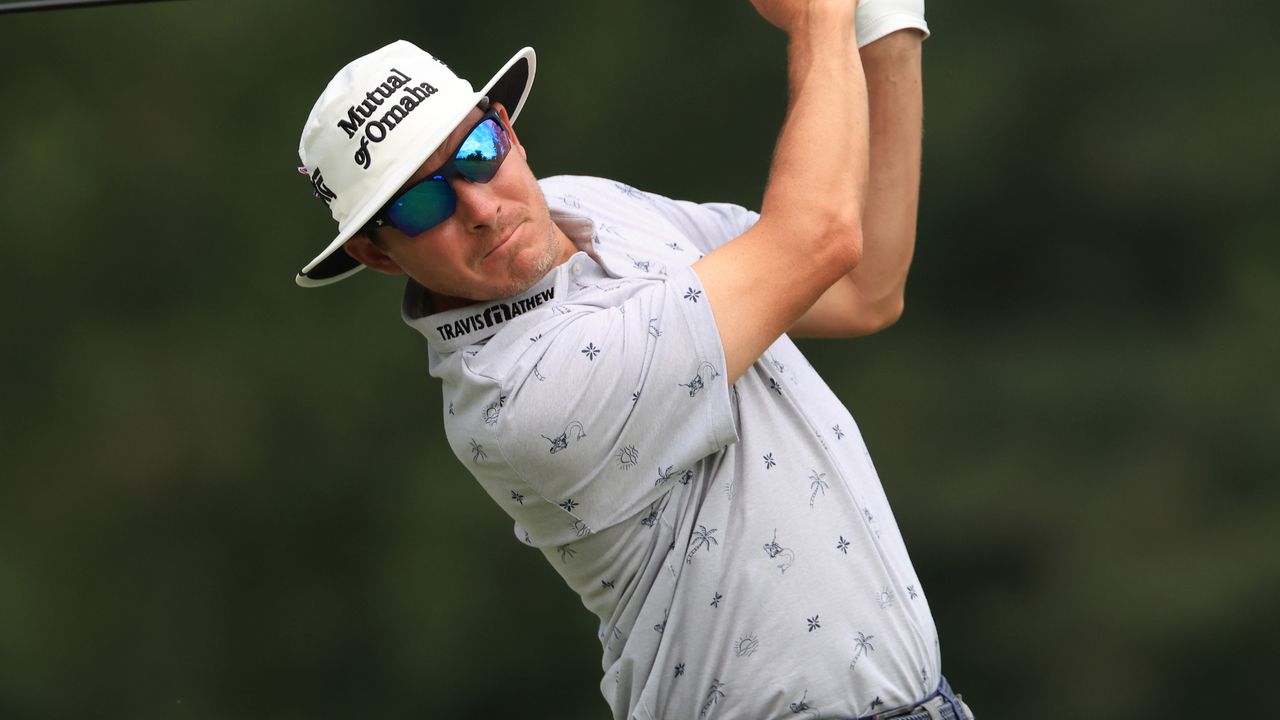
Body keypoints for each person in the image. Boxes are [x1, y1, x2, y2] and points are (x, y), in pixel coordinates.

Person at [293, 1, 972, 718]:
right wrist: (820, 19)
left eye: (474, 153)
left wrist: (885, 27)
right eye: (423, 203)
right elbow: (817, 239)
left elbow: (863, 288)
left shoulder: (585, 204)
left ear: (508, 130)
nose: (481, 206)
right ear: (376, 253)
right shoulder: (519, 398)